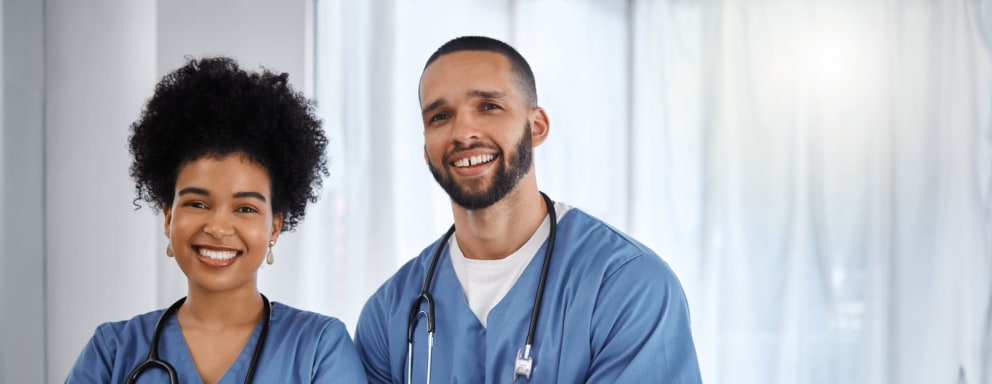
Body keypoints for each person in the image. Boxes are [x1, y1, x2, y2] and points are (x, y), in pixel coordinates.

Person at [354, 36, 702, 383]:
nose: (463, 133)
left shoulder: (628, 286)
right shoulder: (390, 315)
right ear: (426, 149)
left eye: (488, 106)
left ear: (536, 127)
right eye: (440, 116)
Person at [66, 57, 368, 383]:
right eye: (197, 203)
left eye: (245, 209)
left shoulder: (318, 349)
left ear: (275, 227)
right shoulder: (112, 352)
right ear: (168, 218)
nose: (218, 227)